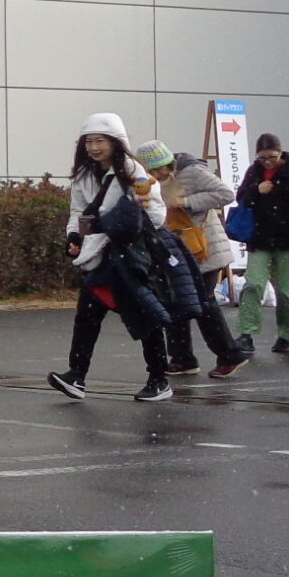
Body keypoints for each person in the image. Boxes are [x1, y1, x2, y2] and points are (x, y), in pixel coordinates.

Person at [49, 115, 175, 402]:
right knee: (87, 316)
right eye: (88, 141)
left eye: (100, 141)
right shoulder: (84, 175)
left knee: (144, 317)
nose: (93, 147)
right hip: (99, 257)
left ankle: (159, 379)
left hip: (130, 257)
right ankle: (76, 375)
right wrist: (75, 236)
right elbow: (79, 212)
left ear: (116, 142)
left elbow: (155, 214)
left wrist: (115, 225)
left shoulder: (134, 172)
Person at [140, 142, 245, 378]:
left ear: (168, 162)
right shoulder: (150, 182)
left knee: (203, 303)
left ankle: (230, 355)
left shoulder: (192, 171)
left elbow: (226, 194)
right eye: (151, 171)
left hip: (204, 248)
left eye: (160, 169)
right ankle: (182, 358)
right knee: (174, 301)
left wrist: (187, 202)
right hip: (176, 249)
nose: (158, 175)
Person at [235, 133, 289, 355]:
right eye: (262, 157)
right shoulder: (254, 171)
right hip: (260, 238)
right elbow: (242, 198)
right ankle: (246, 333)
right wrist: (256, 190)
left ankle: (288, 334)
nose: (267, 162)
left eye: (272, 157)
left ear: (281, 153)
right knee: (253, 284)